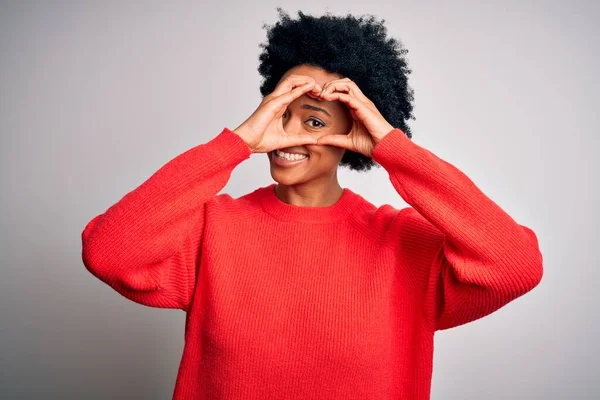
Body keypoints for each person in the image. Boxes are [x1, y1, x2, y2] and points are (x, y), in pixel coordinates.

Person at [81, 9, 543, 400]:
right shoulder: (211, 228)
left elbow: (515, 266)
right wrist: (236, 144)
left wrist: (393, 148)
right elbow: (108, 252)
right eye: (280, 113)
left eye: (315, 120)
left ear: (353, 137)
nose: (288, 134)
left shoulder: (404, 244)